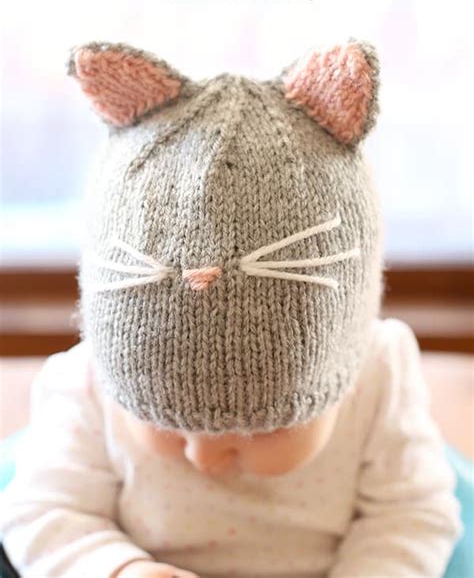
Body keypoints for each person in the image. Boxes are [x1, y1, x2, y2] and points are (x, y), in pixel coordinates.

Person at [0, 41, 461, 577]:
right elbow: (43, 512)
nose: (204, 459)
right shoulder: (87, 384)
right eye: (163, 422)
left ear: (344, 357)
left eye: (256, 430)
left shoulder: (377, 379)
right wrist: (119, 569)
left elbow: (412, 516)